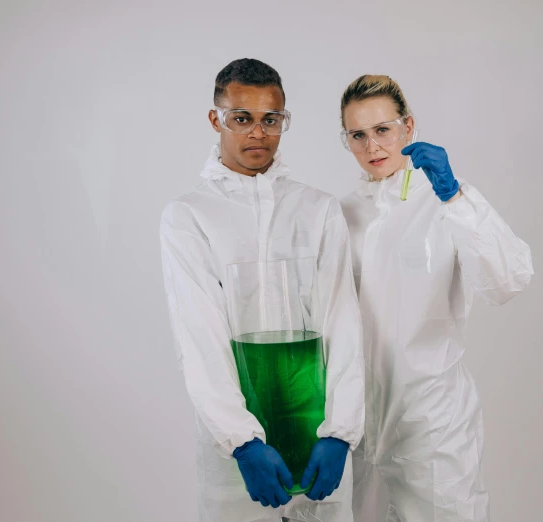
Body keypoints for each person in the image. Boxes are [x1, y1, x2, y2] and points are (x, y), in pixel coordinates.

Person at [160, 58, 365, 522]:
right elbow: (199, 338)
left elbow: (343, 320)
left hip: (317, 436)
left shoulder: (317, 209)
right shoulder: (190, 216)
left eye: (270, 120)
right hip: (236, 453)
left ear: (283, 121)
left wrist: (340, 432)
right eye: (242, 118)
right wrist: (242, 441)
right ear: (216, 119)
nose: (258, 133)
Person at [337, 75, 534, 522]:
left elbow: (507, 280)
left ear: (408, 127)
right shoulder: (345, 213)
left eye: (383, 129)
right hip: (360, 425)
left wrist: (455, 197)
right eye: (358, 135)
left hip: (432, 422)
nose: (372, 146)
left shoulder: (445, 198)